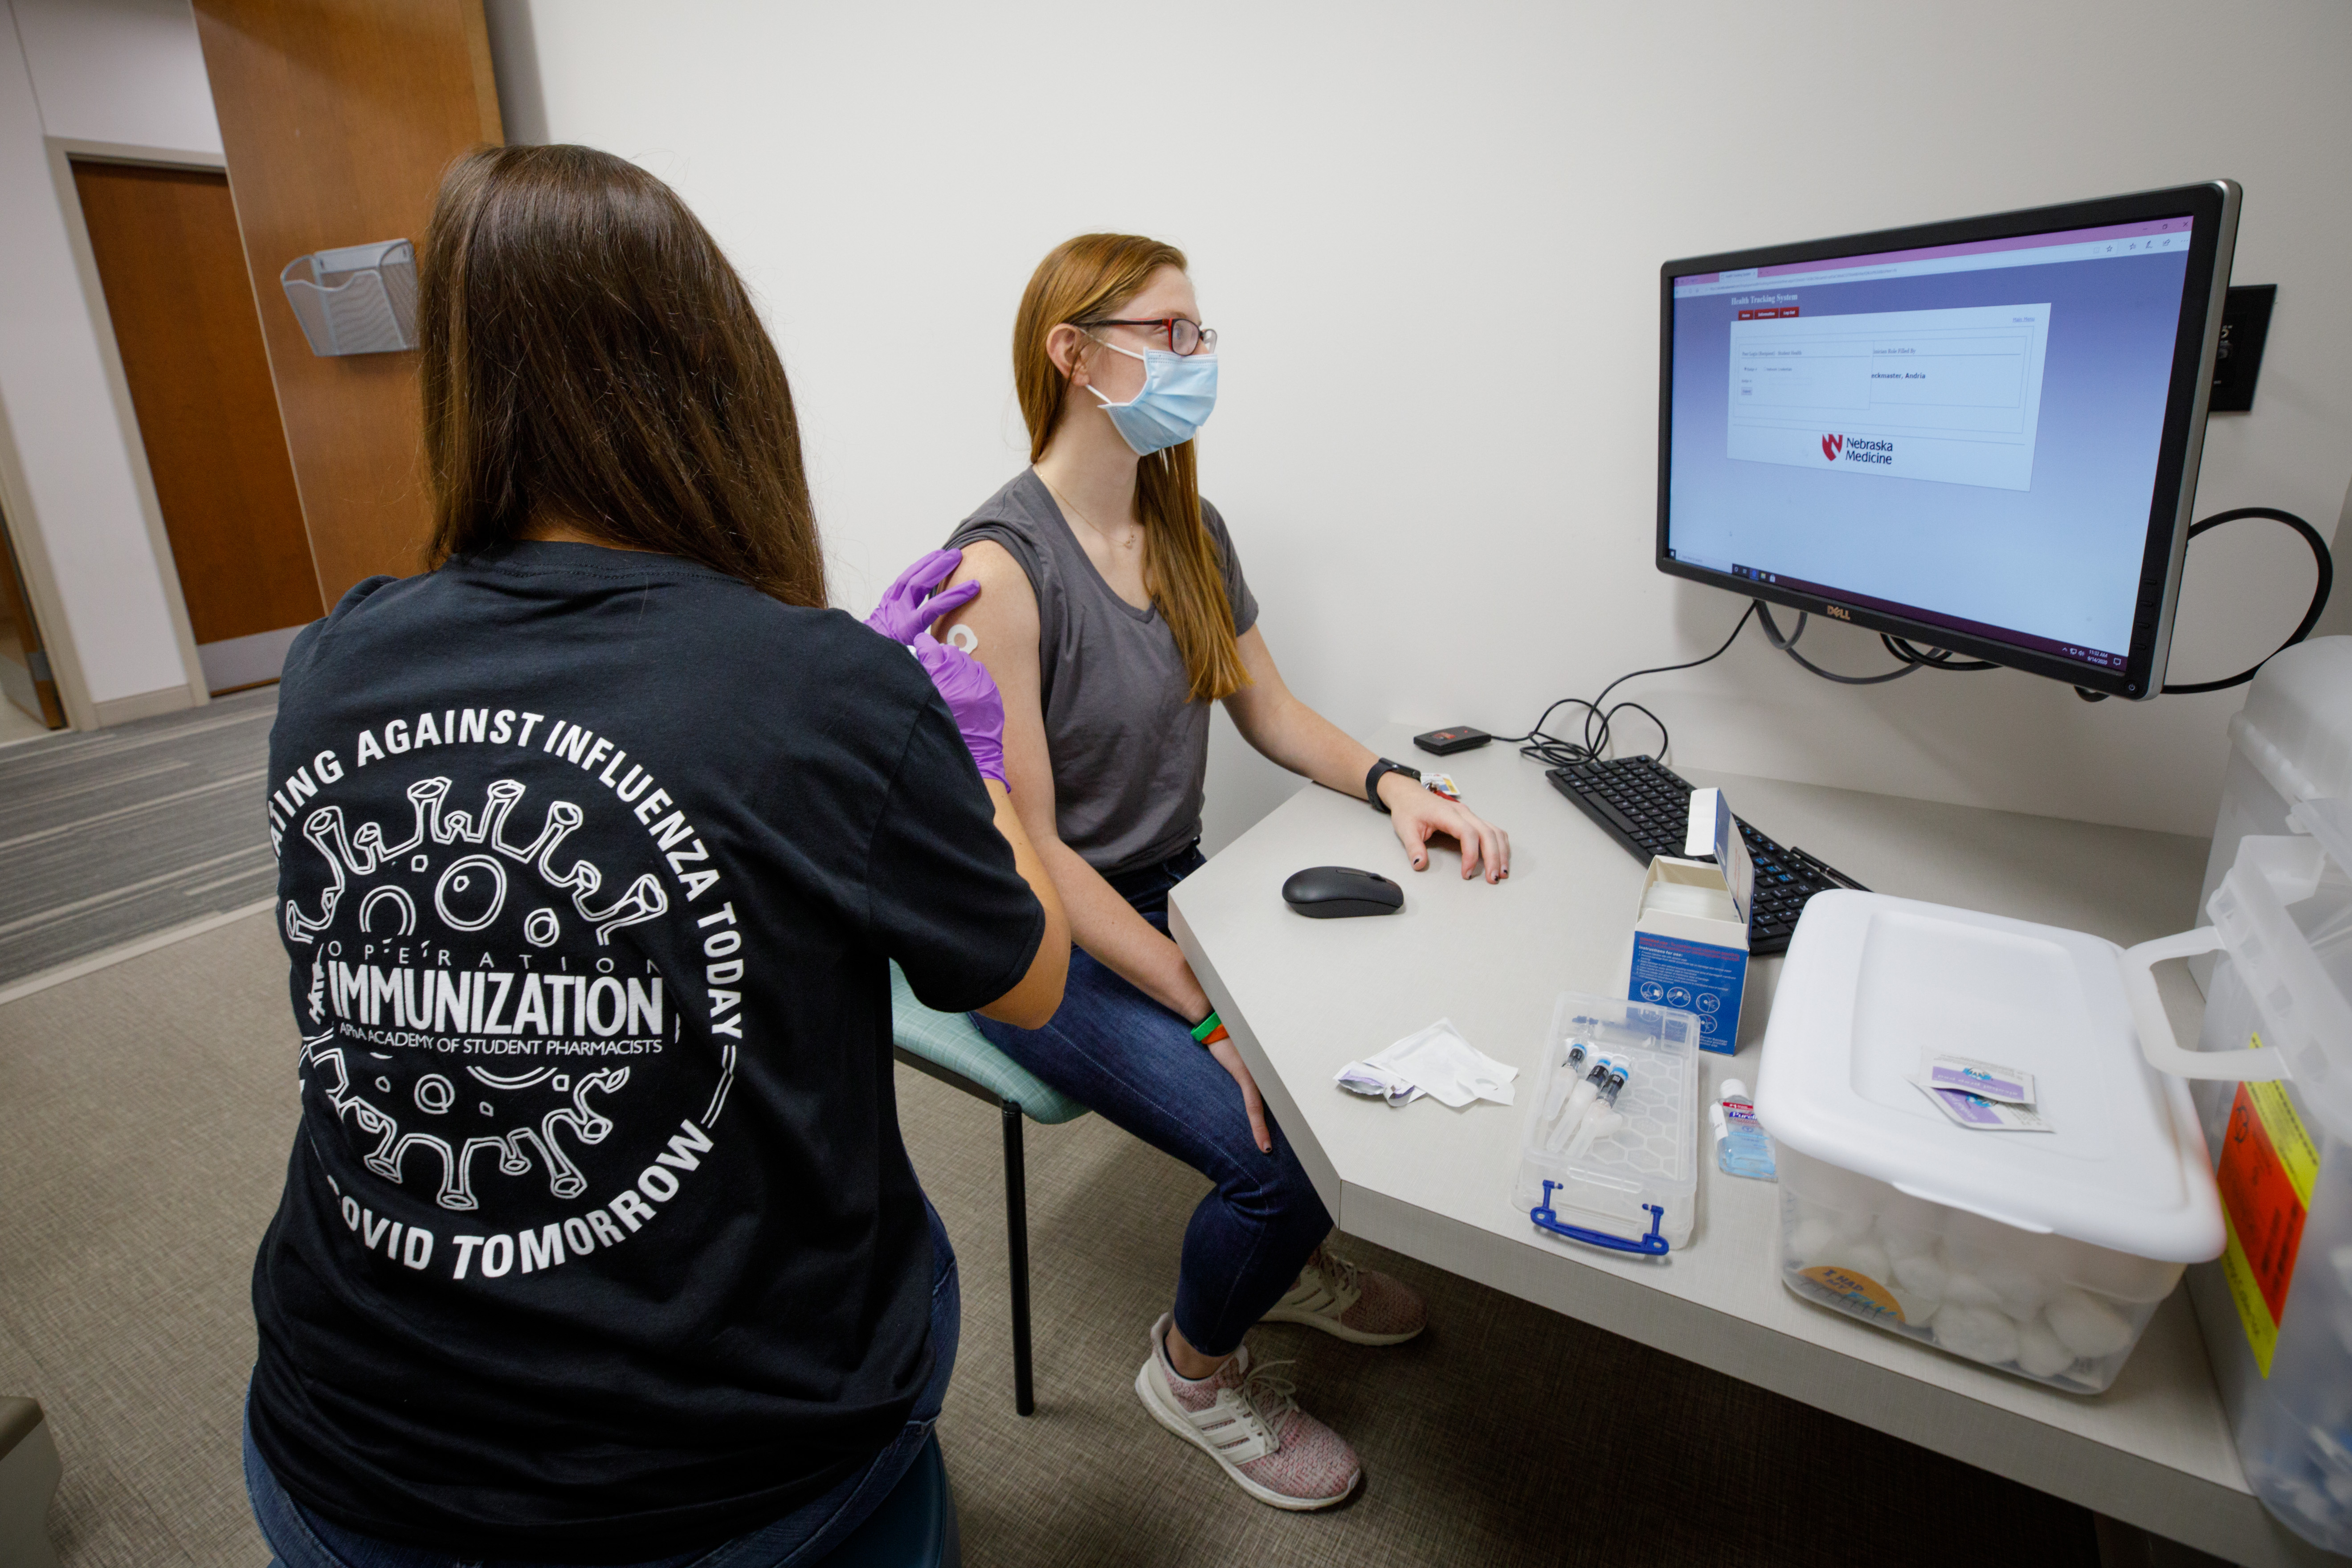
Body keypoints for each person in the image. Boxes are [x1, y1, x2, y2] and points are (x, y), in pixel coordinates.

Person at [242, 144, 1068, 1568]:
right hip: (721, 1492)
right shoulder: (824, 688)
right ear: (715, 376)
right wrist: (977, 764)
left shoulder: (330, 665)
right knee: (909, 1247)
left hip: (334, 1448)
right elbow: (1031, 987)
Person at [935, 233, 1511, 1511]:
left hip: (1168, 886)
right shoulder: (998, 572)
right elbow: (1035, 856)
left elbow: (1272, 711)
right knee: (1282, 1152)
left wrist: (1394, 785)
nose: (1199, 359)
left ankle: (1276, 1266)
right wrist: (1207, 1008)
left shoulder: (1188, 524)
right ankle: (1190, 1372)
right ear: (1073, 354)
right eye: (1171, 333)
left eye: (1203, 336)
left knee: (1357, 1060)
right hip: (1038, 938)